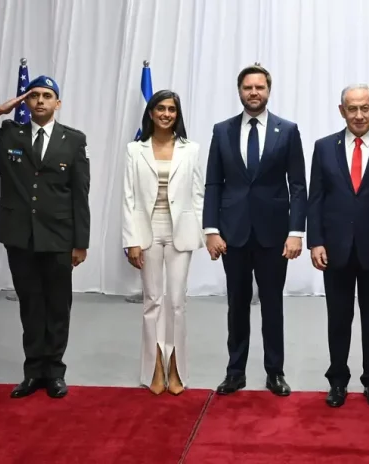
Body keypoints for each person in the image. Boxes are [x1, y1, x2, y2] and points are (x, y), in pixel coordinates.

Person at [0, 75, 90, 399]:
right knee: (30, 305)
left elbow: (79, 193)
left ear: (57, 103)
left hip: (58, 235)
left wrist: (80, 242)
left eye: (47, 96)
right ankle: (33, 373)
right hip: (20, 237)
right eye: (34, 96)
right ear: (25, 103)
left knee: (57, 307)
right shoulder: (7, 135)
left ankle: (54, 372)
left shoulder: (73, 140)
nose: (40, 101)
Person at [203, 65, 307, 396]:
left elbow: (299, 186)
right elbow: (213, 183)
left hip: (274, 236)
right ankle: (235, 372)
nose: (254, 92)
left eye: (259, 87)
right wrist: (211, 229)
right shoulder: (222, 131)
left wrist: (296, 232)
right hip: (231, 235)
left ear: (268, 90)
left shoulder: (287, 131)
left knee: (272, 304)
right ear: (239, 91)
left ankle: (275, 372)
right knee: (237, 304)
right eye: (248, 87)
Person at [306, 84, 369, 408]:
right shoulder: (324, 148)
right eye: (353, 109)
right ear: (342, 111)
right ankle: (337, 381)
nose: (359, 115)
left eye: (365, 108)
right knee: (338, 319)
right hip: (334, 249)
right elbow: (316, 199)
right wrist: (316, 242)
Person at [122, 90, 204, 396]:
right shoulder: (135, 150)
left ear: (177, 114)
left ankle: (177, 367)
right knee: (152, 300)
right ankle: (154, 366)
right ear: (152, 113)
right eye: (161, 108)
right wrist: (131, 240)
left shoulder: (191, 149)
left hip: (180, 231)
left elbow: (197, 195)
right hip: (147, 231)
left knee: (176, 302)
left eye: (172, 109)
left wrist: (202, 231)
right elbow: (129, 198)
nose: (166, 114)